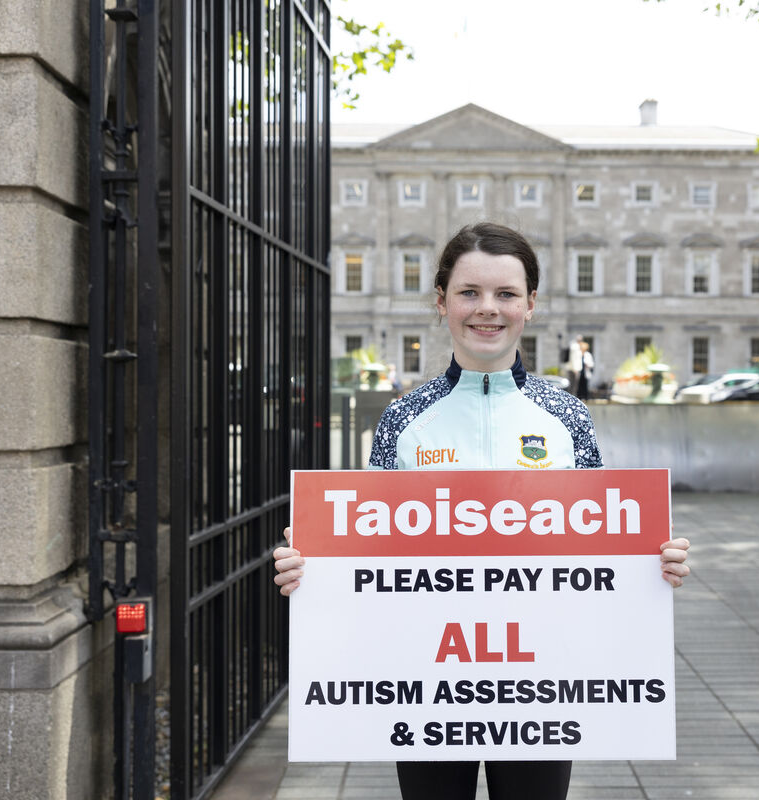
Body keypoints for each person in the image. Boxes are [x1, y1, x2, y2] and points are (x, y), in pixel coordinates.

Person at [273, 222, 691, 800]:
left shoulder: (568, 418)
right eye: (470, 292)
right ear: (441, 301)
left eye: (506, 294)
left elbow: (605, 550)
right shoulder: (404, 420)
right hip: (426, 685)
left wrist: (656, 564)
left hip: (542, 682)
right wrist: (311, 568)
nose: (487, 310)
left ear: (531, 305)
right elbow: (367, 556)